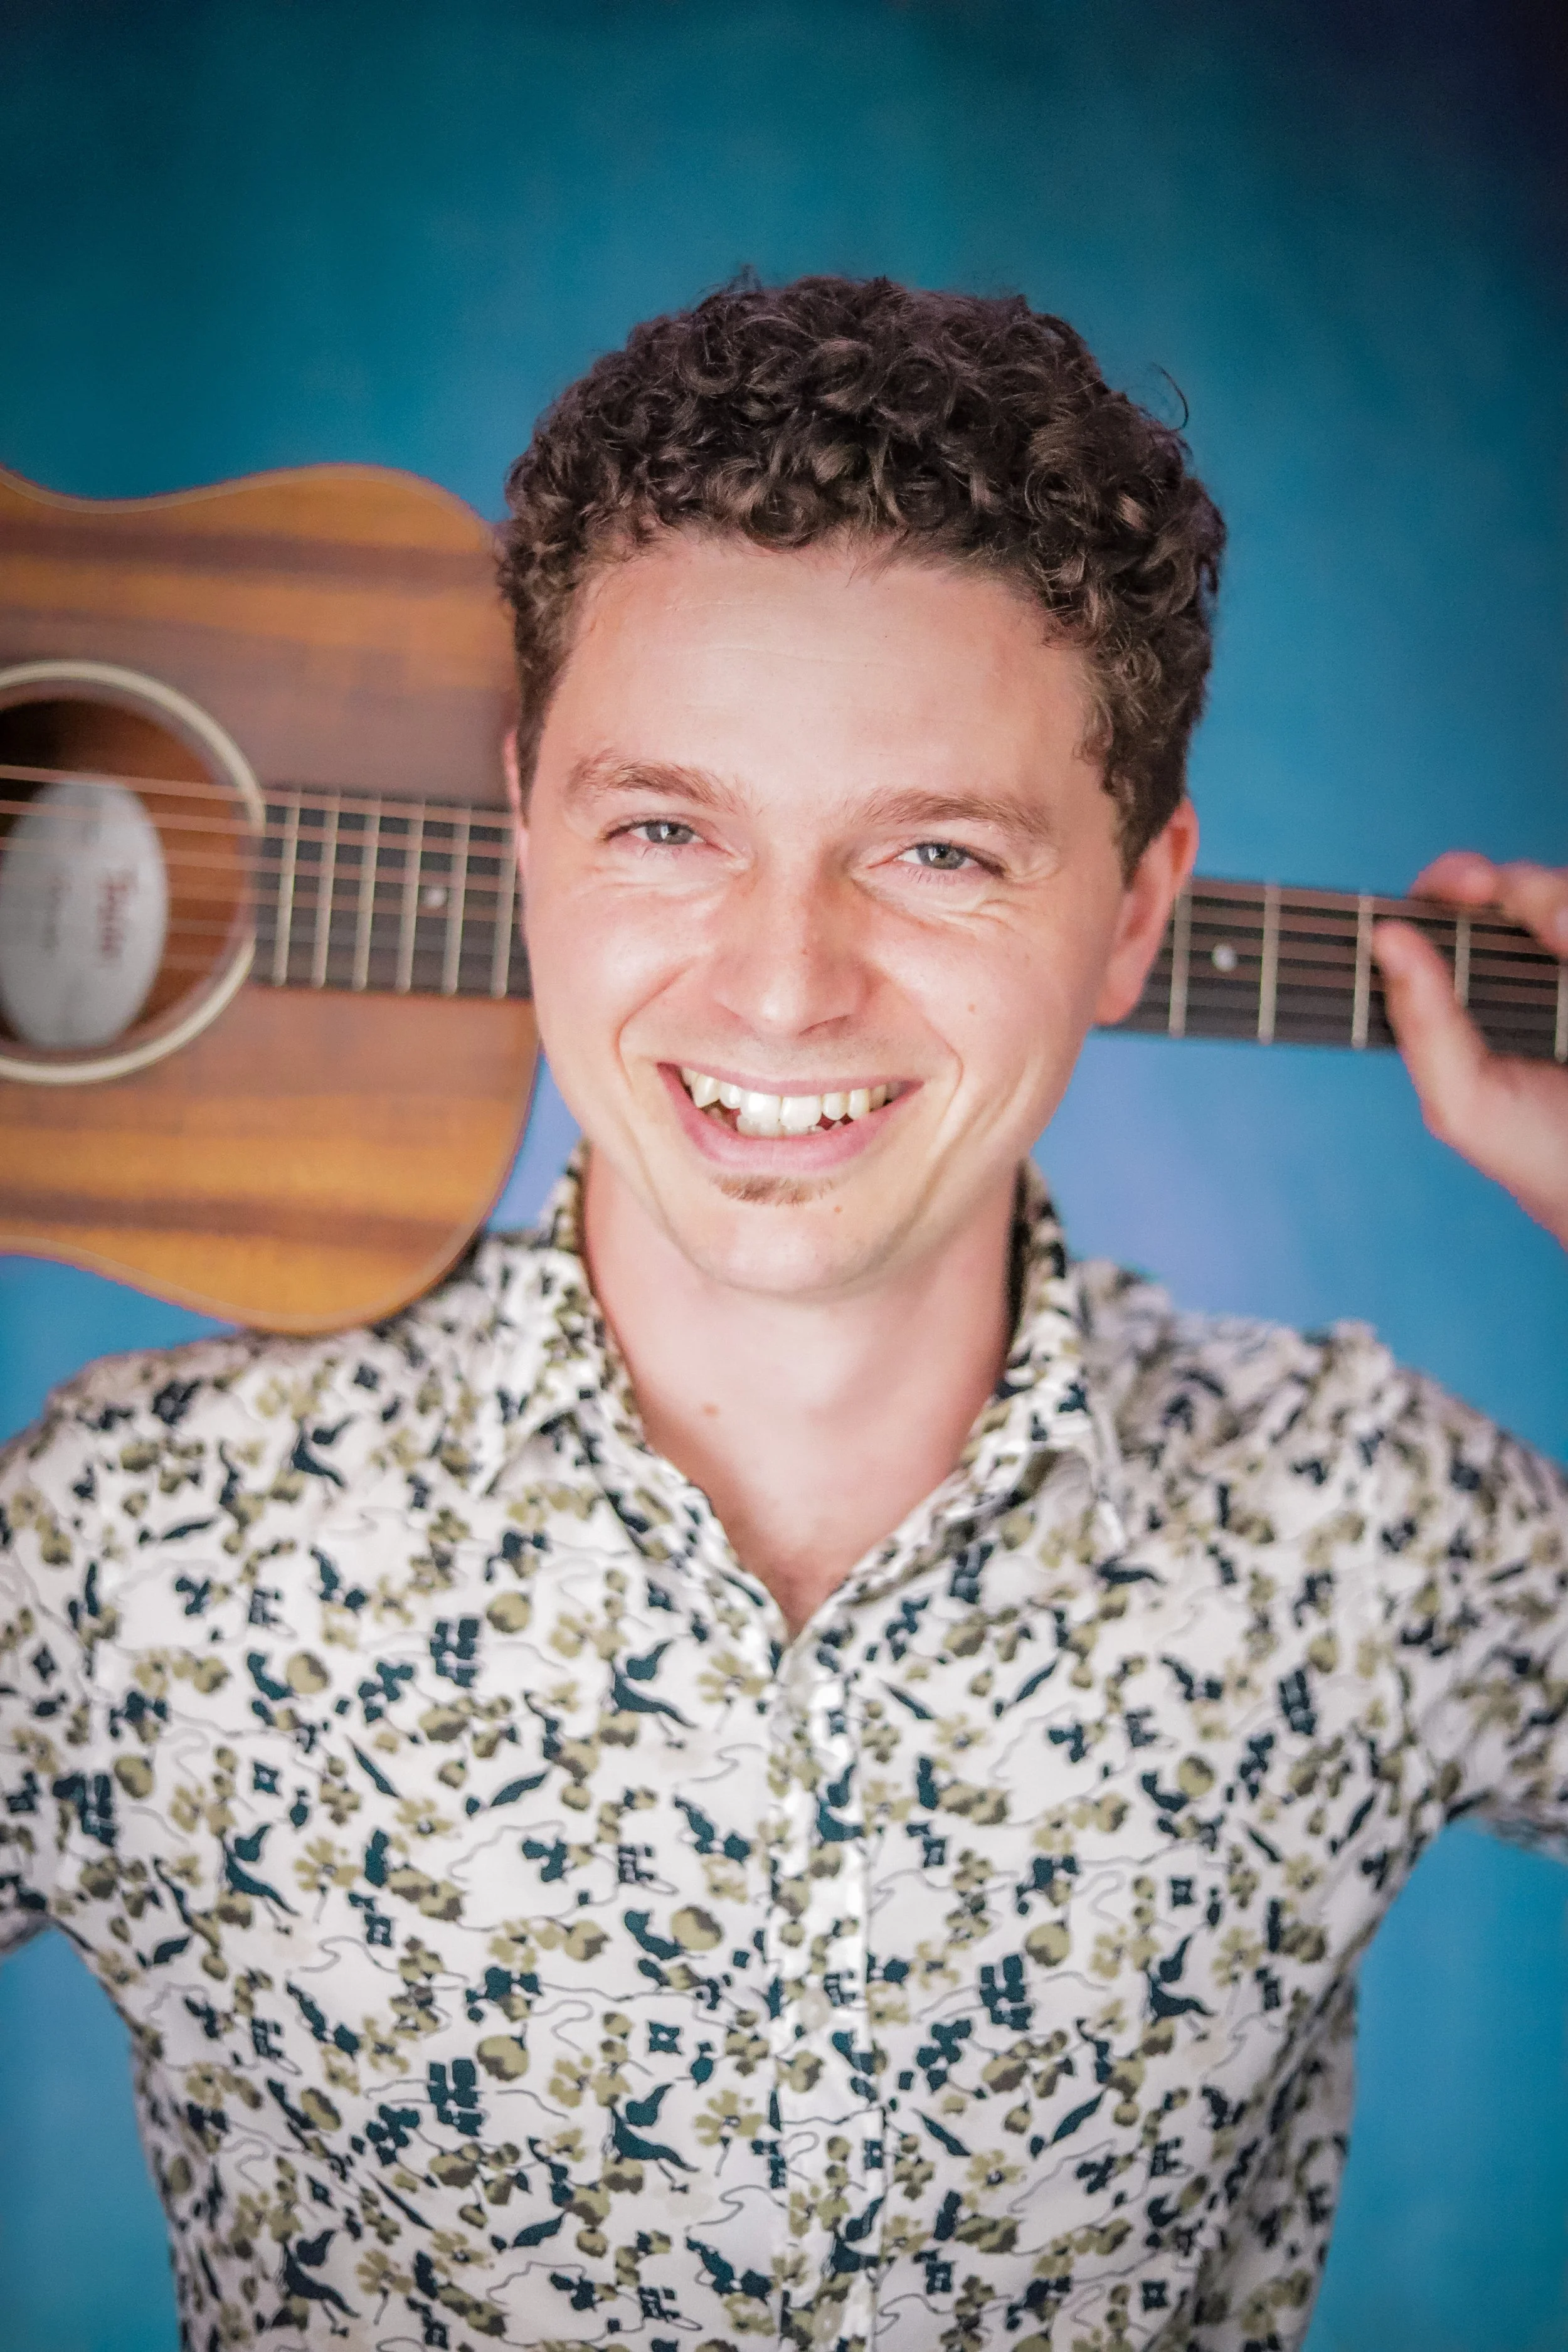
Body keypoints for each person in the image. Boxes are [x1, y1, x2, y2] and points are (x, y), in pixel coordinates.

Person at [1, 277, 1564, 2352]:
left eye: (935, 853)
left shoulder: (1370, 1527)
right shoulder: (119, 1545)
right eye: (666, 826)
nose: (777, 984)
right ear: (526, 828)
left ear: (1134, 910)